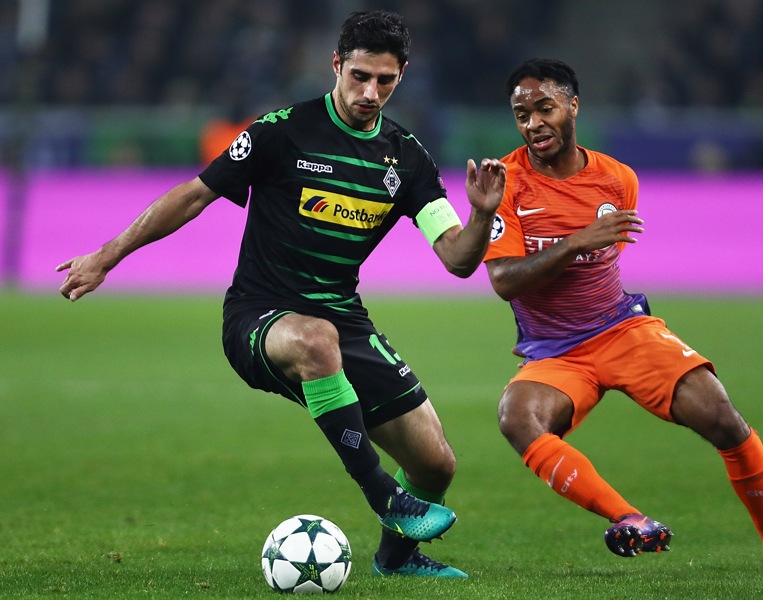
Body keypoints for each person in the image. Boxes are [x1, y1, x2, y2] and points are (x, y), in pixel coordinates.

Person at [57, 11, 506, 579]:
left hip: (344, 318)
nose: (370, 93)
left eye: (385, 81)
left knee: (435, 463)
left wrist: (482, 215)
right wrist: (107, 254)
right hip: (258, 316)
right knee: (316, 340)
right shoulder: (281, 130)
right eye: (360, 76)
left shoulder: (407, 158)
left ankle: (398, 559)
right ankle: (380, 493)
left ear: (402, 75)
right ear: (337, 65)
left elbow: (457, 259)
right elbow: (195, 195)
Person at [482, 58, 763, 575]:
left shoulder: (618, 180)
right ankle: (630, 519)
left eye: (544, 108)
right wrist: (576, 243)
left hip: (621, 329)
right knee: (516, 417)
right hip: (556, 352)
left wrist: (578, 251)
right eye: (521, 113)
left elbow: (602, 265)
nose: (533, 124)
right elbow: (504, 280)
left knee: (722, 417)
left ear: (573, 106)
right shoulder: (505, 183)